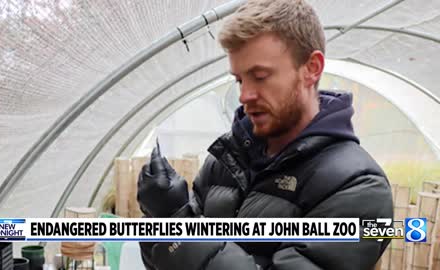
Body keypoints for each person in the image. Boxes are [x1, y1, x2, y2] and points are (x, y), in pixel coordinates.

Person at [137, 0, 393, 269]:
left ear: (312, 68)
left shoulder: (359, 187)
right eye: (239, 80)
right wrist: (161, 219)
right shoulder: (226, 160)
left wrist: (179, 224)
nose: (244, 95)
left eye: (260, 76)